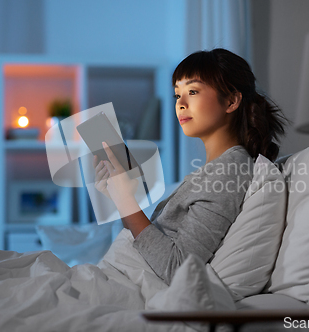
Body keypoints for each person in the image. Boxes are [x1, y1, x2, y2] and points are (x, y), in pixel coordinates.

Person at [93, 48, 287, 285]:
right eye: (177, 95)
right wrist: (119, 196)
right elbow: (151, 244)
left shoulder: (228, 173)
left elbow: (177, 268)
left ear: (232, 100)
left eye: (192, 91)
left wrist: (126, 202)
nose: (180, 104)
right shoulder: (215, 169)